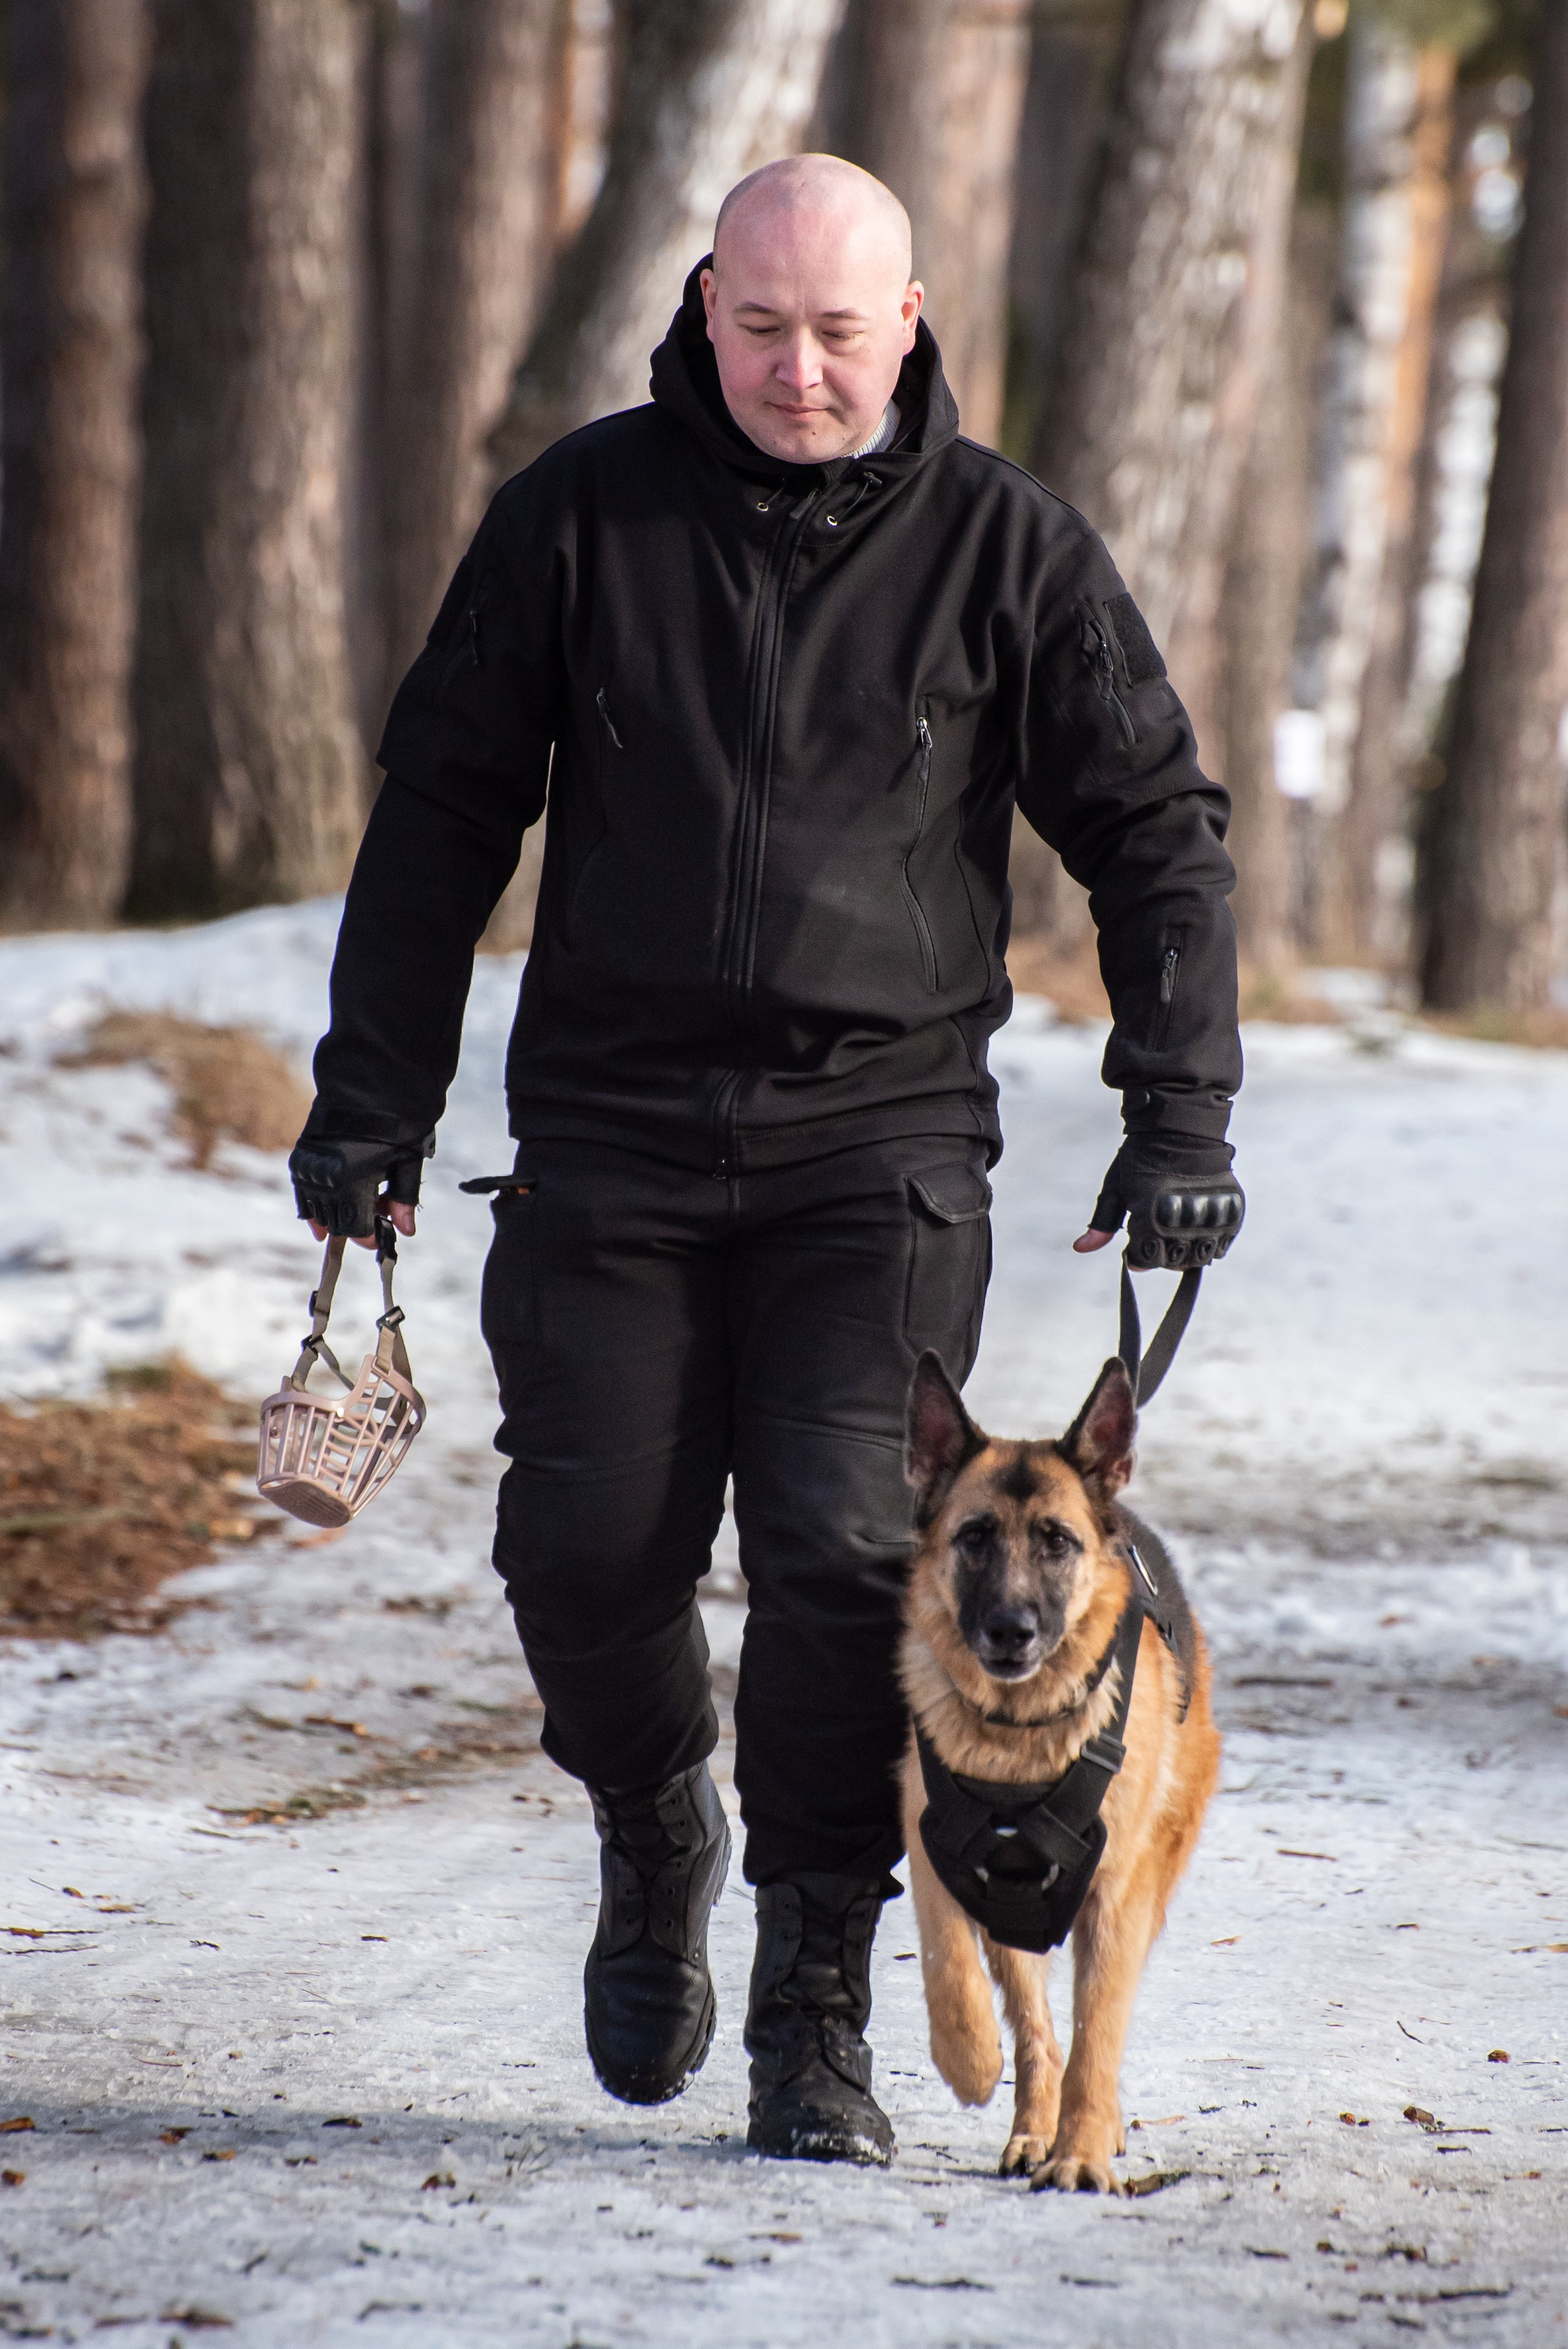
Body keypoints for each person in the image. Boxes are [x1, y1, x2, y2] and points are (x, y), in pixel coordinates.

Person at [288, 154, 1244, 2168]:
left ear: (909, 323)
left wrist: (1183, 1112)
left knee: (834, 1545)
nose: (801, 371)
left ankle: (815, 1981)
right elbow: (443, 809)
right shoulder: (579, 517)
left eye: (840, 331)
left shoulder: (1009, 552)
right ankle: (658, 1823)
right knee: (582, 1545)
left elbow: (1156, 825)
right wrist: (374, 1101)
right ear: (703, 305)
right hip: (613, 1132)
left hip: (875, 1139)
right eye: (762, 326)